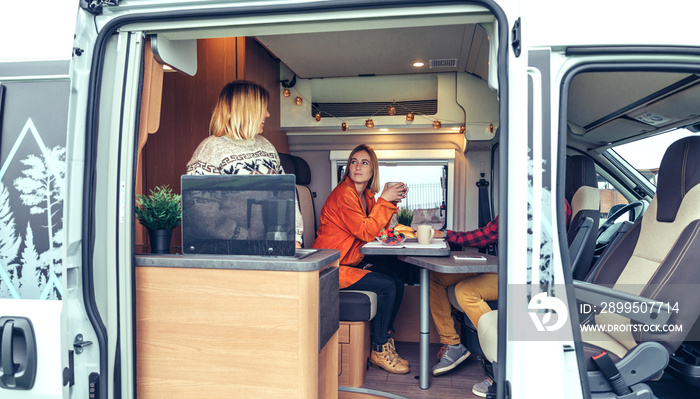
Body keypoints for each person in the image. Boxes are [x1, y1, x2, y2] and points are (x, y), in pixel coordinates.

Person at [429, 201, 571, 397]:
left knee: (465, 291)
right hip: (504, 267)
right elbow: (486, 234)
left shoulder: (551, 202)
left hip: (525, 276)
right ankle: (453, 345)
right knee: (435, 276)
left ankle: (501, 363)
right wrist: (446, 234)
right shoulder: (520, 198)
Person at [312, 144, 410, 374]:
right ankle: (379, 349)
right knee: (386, 286)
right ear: (348, 167)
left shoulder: (366, 196)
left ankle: (383, 339)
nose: (357, 166)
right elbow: (366, 232)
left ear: (372, 170)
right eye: (353, 161)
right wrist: (385, 200)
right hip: (332, 266)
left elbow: (378, 228)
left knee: (396, 278)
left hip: (349, 260)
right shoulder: (343, 194)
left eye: (364, 162)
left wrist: (390, 201)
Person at [186, 80, 303, 247]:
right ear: (246, 110)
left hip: (269, 249)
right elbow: (201, 212)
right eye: (263, 109)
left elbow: (286, 196)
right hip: (228, 251)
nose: (268, 114)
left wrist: (294, 237)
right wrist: (244, 237)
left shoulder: (267, 147)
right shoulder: (210, 149)